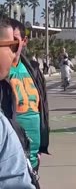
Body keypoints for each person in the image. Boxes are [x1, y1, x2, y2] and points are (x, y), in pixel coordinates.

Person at [0, 18, 37, 188]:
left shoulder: (32, 69)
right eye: (11, 45)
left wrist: (39, 146)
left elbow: (40, 106)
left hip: (29, 153)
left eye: (17, 44)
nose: (14, 52)